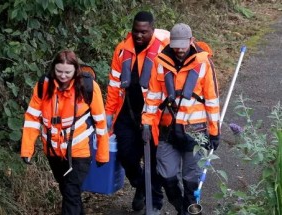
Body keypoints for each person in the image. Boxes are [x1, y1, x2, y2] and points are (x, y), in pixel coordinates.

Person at [141, 23, 220, 215]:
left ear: (191, 41)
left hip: (196, 130)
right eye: (176, 45)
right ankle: (182, 208)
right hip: (168, 129)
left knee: (191, 179)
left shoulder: (203, 64)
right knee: (166, 175)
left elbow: (211, 99)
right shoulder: (161, 63)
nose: (179, 49)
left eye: (183, 44)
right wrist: (146, 123)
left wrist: (214, 131)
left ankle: (189, 210)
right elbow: (152, 97)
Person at [21, 50, 109, 215]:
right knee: (70, 193)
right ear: (53, 68)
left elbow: (100, 122)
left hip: (79, 152)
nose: (62, 76)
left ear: (76, 70)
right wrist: (27, 149)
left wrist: (102, 153)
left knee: (70, 192)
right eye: (59, 71)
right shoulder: (43, 86)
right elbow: (32, 118)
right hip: (53, 151)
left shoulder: (88, 87)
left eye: (67, 72)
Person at [105, 11, 169, 214]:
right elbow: (114, 84)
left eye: (144, 32)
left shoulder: (164, 51)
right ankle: (140, 185)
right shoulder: (122, 50)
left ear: (152, 30)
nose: (139, 36)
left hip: (155, 116)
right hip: (128, 112)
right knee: (126, 156)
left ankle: (155, 203)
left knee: (153, 161)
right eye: (135, 31)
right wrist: (108, 113)